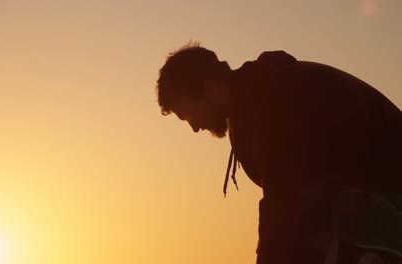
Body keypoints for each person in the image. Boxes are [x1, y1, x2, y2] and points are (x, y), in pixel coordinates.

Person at [155, 42, 402, 264]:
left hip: (384, 202)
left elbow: (286, 201)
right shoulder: (260, 95)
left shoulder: (275, 98)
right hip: (368, 203)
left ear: (209, 89)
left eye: (188, 115)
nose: (195, 127)